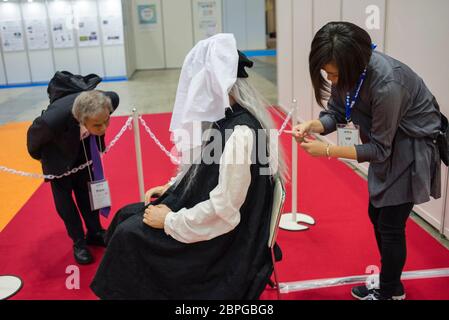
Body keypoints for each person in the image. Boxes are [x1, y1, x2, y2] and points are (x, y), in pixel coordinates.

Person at [90, 33, 287, 300]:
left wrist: (170, 220)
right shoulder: (226, 119)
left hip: (226, 242)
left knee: (129, 235)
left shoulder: (241, 132)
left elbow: (225, 210)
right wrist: (174, 186)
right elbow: (205, 169)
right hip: (213, 218)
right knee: (126, 215)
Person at [288, 22, 442, 300]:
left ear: (352, 64)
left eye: (333, 74)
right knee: (377, 215)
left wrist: (327, 152)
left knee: (391, 225)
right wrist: (313, 125)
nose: (331, 80)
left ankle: (389, 293)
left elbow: (380, 149)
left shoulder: (387, 84)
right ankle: (390, 285)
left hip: (410, 149)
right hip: (387, 146)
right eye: (326, 74)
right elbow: (337, 113)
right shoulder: (349, 73)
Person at [27, 71, 120, 265]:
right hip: (58, 158)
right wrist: (46, 159)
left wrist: (95, 132)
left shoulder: (109, 100)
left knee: (87, 193)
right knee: (66, 204)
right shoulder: (52, 121)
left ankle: (94, 231)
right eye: (98, 124)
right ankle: (79, 242)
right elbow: (33, 142)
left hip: (83, 151)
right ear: (81, 119)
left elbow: (108, 107)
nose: (104, 128)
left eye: (106, 121)